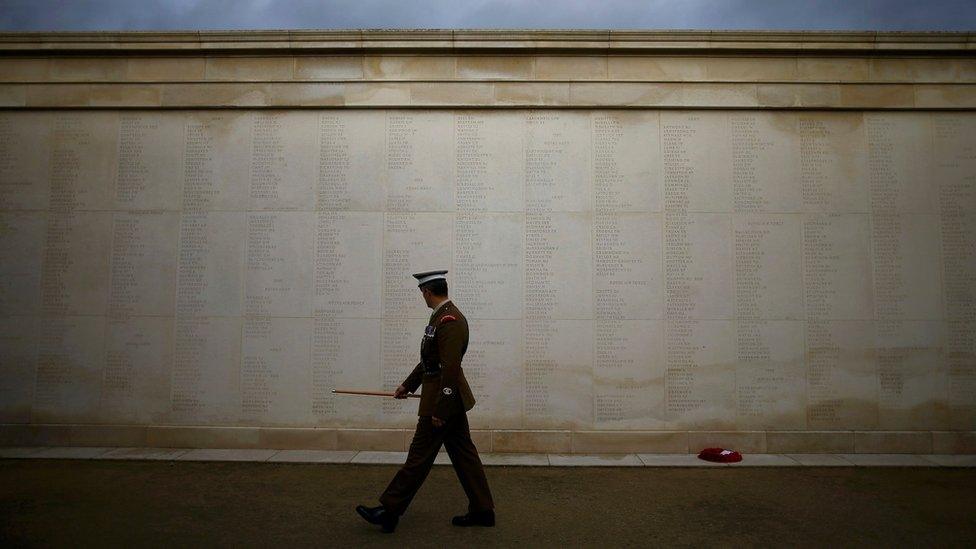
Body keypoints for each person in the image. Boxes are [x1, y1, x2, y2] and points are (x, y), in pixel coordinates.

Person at [356, 269, 495, 533]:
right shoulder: (440, 318)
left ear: (428, 291)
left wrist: (440, 409)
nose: (422, 296)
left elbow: (450, 368)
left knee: (418, 457)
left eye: (422, 292)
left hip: (442, 402)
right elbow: (428, 362)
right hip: (444, 400)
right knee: (465, 456)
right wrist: (407, 385)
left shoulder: (450, 320)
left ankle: (390, 510)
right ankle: (483, 510)